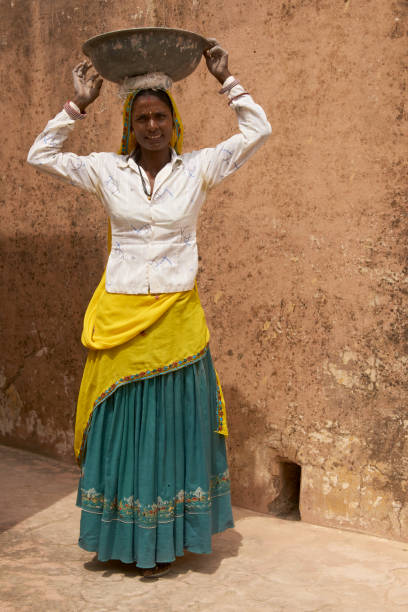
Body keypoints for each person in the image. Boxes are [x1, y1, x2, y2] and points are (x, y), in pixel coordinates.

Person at [27, 40, 271, 577]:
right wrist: (77, 105)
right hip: (120, 315)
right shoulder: (105, 171)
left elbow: (258, 132)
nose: (153, 126)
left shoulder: (199, 169)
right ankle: (116, 539)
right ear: (130, 124)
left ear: (174, 120)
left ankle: (164, 540)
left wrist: (226, 81)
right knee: (118, 428)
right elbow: (39, 156)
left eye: (160, 116)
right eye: (143, 118)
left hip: (177, 318)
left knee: (167, 428)